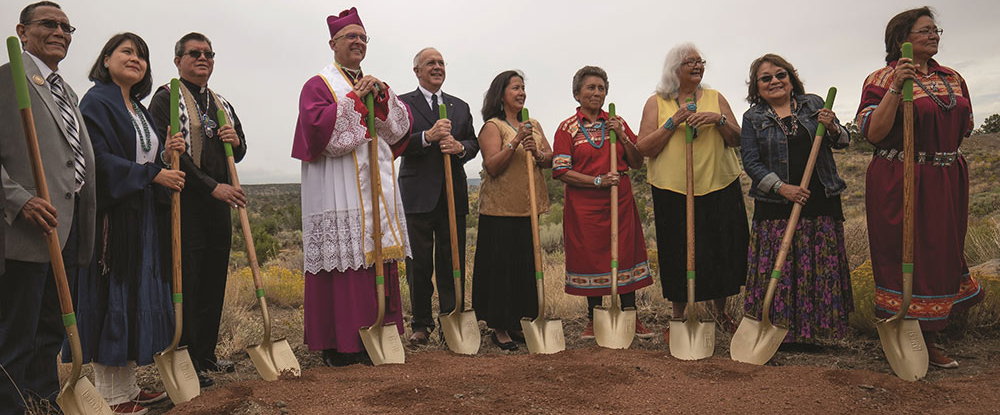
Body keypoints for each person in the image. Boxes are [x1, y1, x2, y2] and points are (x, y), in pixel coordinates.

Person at [855, 7, 984, 368]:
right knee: (901, 252)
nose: (935, 35)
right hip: (899, 176)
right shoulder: (880, 78)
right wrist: (898, 86)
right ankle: (905, 335)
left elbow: (966, 126)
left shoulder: (953, 77)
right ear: (902, 40)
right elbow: (874, 133)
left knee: (940, 251)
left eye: (936, 30)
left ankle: (931, 334)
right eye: (925, 30)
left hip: (944, 177)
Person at [67, 32, 187, 415]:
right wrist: (153, 176)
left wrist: (167, 157)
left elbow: (146, 160)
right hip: (113, 219)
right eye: (127, 52)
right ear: (106, 59)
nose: (136, 59)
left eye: (142, 56)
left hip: (142, 218)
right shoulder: (96, 102)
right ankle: (110, 394)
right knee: (113, 295)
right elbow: (97, 160)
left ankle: (130, 387)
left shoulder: (137, 107)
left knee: (135, 295)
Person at [291, 8, 413, 366]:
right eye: (350, 37)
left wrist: (385, 98)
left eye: (363, 37)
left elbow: (398, 131)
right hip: (337, 186)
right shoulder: (319, 85)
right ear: (333, 44)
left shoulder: (373, 83)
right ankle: (341, 343)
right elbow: (319, 135)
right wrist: (356, 100)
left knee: (375, 254)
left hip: (376, 186)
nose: (358, 42)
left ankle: (378, 333)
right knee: (344, 262)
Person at [0, 2, 97, 413]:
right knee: (17, 333)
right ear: (22, 32)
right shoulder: (8, 79)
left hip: (69, 225)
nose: (60, 31)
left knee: (50, 328)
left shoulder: (66, 90)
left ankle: (40, 400)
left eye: (66, 26)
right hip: (26, 228)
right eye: (48, 24)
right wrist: (18, 199)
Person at [149, 31, 246, 386]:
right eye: (194, 53)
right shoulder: (165, 99)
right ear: (178, 60)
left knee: (212, 280)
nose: (202, 58)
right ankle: (185, 356)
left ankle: (205, 355)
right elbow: (174, 155)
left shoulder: (221, 103)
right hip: (182, 202)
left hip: (218, 205)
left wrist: (237, 141)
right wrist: (211, 188)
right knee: (186, 280)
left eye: (208, 53)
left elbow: (240, 148)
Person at [740, 54, 854, 345]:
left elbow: (843, 141)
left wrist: (831, 127)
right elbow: (751, 164)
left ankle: (814, 334)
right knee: (779, 268)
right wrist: (782, 188)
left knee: (817, 268)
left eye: (781, 75)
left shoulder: (813, 104)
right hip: (776, 206)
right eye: (766, 78)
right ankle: (779, 332)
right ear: (757, 86)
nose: (775, 81)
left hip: (820, 200)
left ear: (791, 79)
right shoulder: (753, 117)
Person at [636, 43, 747, 340]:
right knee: (677, 250)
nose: (698, 66)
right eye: (690, 62)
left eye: (701, 62)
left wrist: (718, 119)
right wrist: (674, 121)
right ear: (675, 69)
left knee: (719, 247)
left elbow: (739, 139)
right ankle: (678, 316)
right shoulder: (656, 102)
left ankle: (719, 312)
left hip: (717, 184)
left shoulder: (715, 97)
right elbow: (643, 147)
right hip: (672, 188)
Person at [552, 66, 653, 340]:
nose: (597, 93)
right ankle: (594, 318)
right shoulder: (567, 128)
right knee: (591, 256)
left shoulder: (616, 122)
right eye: (590, 88)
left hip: (619, 199)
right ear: (577, 94)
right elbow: (561, 170)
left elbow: (636, 161)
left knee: (625, 252)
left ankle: (631, 316)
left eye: (601, 88)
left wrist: (621, 134)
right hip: (584, 204)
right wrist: (596, 181)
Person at [397, 47, 480, 345]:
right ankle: (421, 323)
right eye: (430, 63)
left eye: (441, 62)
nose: (437, 67)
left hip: (453, 194)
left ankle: (452, 318)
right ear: (417, 70)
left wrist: (461, 149)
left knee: (451, 260)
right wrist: (426, 137)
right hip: (417, 195)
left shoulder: (460, 106)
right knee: (418, 264)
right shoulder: (402, 104)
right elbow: (394, 143)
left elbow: (473, 142)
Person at [471, 70, 552, 351]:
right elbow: (493, 165)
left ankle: (518, 321)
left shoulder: (534, 124)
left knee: (524, 267)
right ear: (501, 93)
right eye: (515, 88)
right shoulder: (492, 126)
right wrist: (515, 142)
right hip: (499, 211)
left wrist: (538, 153)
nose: (521, 93)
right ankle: (499, 326)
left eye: (522, 88)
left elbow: (549, 158)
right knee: (501, 270)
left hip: (527, 208)